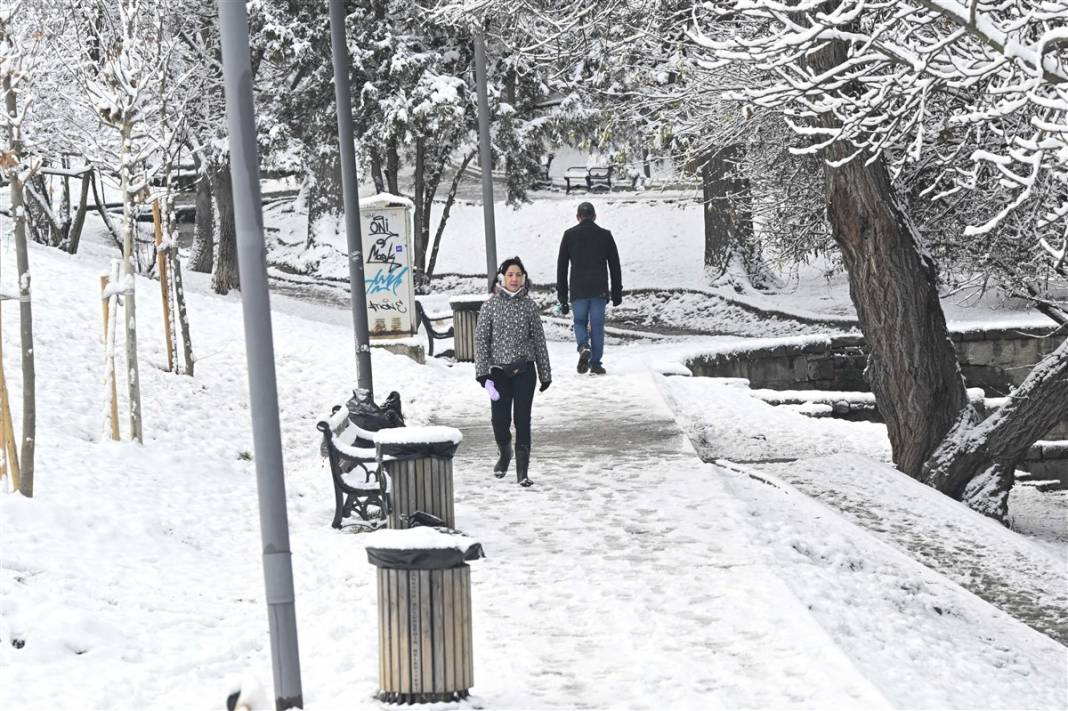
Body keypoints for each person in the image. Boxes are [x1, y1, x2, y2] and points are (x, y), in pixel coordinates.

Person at [474, 257, 552, 487]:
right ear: (502, 278)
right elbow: (481, 340)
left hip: (524, 370)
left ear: (523, 278)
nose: (514, 279)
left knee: (522, 419)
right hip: (498, 373)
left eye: (518, 275)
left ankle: (522, 472)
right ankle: (505, 452)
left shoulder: (530, 306)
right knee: (500, 420)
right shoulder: (490, 306)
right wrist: (482, 374)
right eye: (510, 275)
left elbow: (539, 341)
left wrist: (545, 373)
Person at [556, 201, 622, 375]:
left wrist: (562, 296)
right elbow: (614, 266)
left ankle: (583, 346)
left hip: (578, 289)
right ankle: (596, 363)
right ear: (595, 217)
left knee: (579, 322)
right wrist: (617, 292)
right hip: (599, 289)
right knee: (597, 325)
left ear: (578, 217)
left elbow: (562, 267)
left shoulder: (569, 235)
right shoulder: (605, 235)